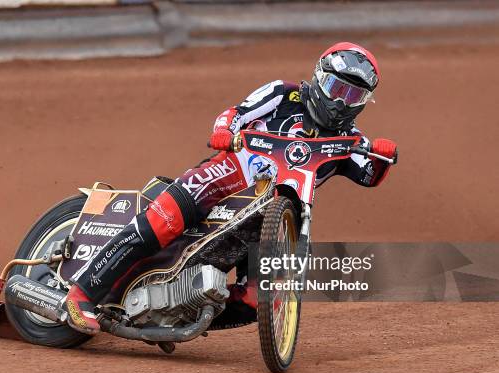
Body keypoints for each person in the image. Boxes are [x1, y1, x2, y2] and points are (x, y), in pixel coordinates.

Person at [64, 42, 398, 334]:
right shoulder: (284, 93)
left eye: (353, 95)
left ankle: (181, 312)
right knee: (162, 222)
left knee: (257, 299)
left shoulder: (350, 140)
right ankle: (82, 296)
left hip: (271, 216)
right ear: (320, 77)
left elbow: (368, 175)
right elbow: (234, 114)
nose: (341, 101)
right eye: (338, 88)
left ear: (364, 101)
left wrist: (384, 156)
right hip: (226, 175)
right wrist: (224, 132)